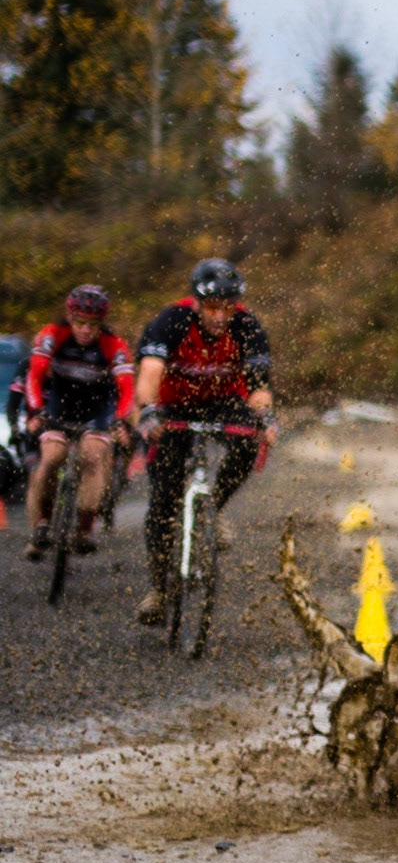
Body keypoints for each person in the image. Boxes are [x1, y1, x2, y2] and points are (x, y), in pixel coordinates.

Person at [133, 259, 278, 625]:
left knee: (249, 442)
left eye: (228, 307)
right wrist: (148, 411)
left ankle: (213, 506)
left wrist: (265, 417)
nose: (220, 316)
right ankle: (158, 590)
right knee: (164, 499)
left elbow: (259, 386)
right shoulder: (172, 321)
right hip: (173, 404)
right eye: (213, 307)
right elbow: (149, 373)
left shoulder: (246, 325)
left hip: (223, 402)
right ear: (197, 302)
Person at [21, 285, 136, 559]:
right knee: (50, 458)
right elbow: (34, 376)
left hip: (98, 408)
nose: (85, 330)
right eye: (80, 322)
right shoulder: (53, 334)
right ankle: (42, 524)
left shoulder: (114, 345)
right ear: (70, 317)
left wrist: (120, 421)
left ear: (102, 324)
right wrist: (36, 410)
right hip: (60, 405)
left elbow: (127, 390)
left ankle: (84, 531)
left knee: (93, 458)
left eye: (93, 324)